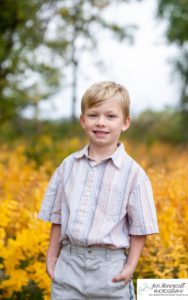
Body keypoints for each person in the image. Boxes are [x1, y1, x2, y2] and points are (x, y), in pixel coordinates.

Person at [38, 81, 159, 300]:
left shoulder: (134, 174)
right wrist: (51, 256)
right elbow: (57, 217)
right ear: (83, 121)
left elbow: (140, 228)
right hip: (69, 264)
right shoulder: (68, 166)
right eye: (94, 115)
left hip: (109, 268)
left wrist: (130, 266)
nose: (101, 122)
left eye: (110, 116)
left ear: (125, 122)